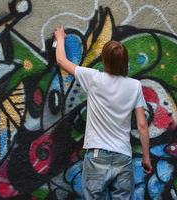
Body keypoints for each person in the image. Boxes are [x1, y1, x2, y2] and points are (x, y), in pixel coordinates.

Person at [54, 26, 152, 200]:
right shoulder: (134, 86)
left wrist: (60, 38)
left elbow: (61, 61)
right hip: (123, 156)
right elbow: (142, 125)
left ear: (105, 59)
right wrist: (146, 157)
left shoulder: (94, 78)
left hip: (98, 155)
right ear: (125, 61)